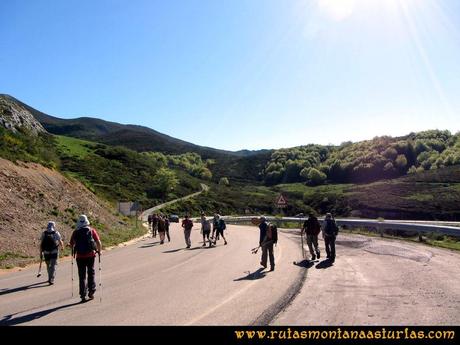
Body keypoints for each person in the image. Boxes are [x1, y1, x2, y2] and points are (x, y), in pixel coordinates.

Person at [70, 214, 102, 302]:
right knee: (91, 273)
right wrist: (99, 251)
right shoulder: (91, 231)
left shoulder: (75, 232)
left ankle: (82, 295)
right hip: (90, 255)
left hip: (80, 257)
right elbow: (98, 242)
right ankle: (91, 291)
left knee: (82, 276)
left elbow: (71, 244)